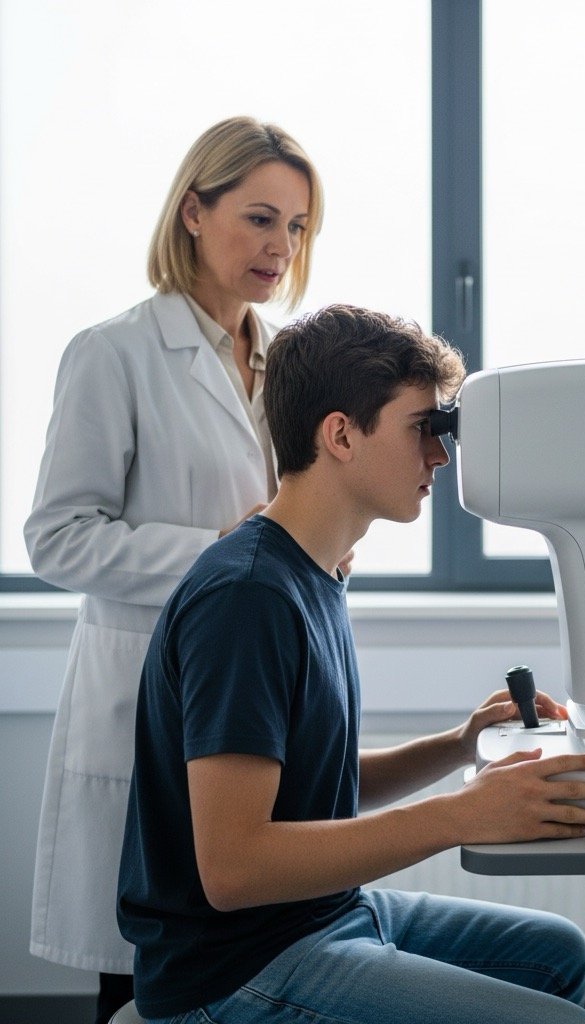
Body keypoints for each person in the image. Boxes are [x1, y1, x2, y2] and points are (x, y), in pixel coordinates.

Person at [117, 304, 585, 1023]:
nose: (439, 457)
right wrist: (460, 817)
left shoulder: (312, 573)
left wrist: (457, 747)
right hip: (232, 967)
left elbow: (307, 785)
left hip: (312, 918)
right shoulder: (247, 596)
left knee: (555, 953)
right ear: (341, 434)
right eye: (423, 429)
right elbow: (233, 867)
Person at [25, 116, 326, 1024]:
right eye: (261, 218)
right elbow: (59, 536)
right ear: (194, 211)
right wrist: (227, 552)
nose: (281, 247)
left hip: (249, 688)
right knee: (145, 980)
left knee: (249, 963)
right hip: (142, 693)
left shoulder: (288, 361)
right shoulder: (113, 352)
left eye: (299, 228)